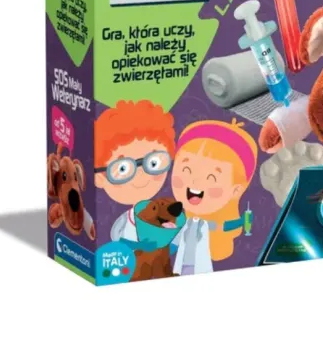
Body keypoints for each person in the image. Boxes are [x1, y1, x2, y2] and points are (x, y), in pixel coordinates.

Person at [170, 119, 258, 275]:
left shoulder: (216, 230)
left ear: (236, 190)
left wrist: (243, 221)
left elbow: (227, 227)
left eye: (211, 177)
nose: (195, 181)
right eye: (186, 170)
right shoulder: (179, 218)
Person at [93, 100, 176, 243]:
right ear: (99, 178)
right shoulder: (122, 223)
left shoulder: (164, 213)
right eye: (122, 168)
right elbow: (118, 241)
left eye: (154, 163)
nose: (141, 175)